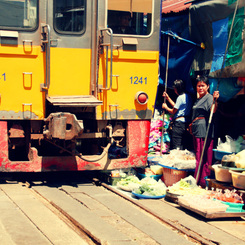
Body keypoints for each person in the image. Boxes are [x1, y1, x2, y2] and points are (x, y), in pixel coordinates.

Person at [191, 75, 219, 187]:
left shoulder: (209, 97)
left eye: (203, 85)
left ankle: (202, 181)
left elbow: (213, 110)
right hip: (197, 129)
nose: (200, 88)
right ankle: (197, 179)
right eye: (198, 86)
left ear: (208, 86)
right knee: (199, 155)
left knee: (203, 156)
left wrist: (215, 100)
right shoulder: (198, 99)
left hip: (204, 129)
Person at [162, 79, 193, 150]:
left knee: (177, 144)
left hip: (178, 124)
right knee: (182, 144)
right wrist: (168, 98)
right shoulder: (188, 96)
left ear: (177, 89)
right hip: (186, 123)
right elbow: (177, 106)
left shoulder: (180, 97)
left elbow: (173, 111)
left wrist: (166, 107)